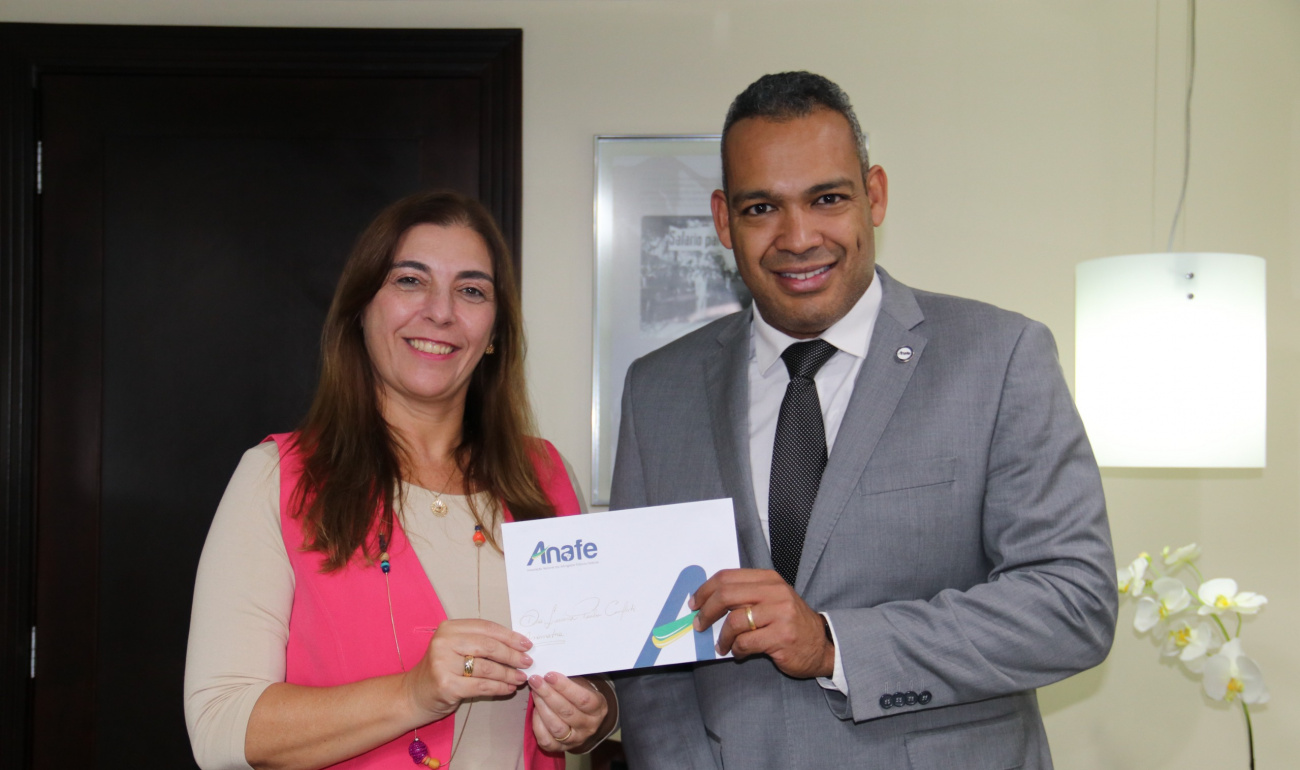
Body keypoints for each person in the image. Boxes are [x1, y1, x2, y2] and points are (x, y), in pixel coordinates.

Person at [610, 72, 1116, 769]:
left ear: (873, 196)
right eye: (762, 208)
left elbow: (1072, 605)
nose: (797, 237)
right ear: (724, 220)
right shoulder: (656, 389)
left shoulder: (999, 356)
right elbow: (651, 662)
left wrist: (833, 643)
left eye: (827, 199)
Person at [185, 191, 616, 770]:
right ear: (361, 310)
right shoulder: (276, 477)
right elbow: (219, 729)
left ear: (495, 331)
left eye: (471, 290)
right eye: (410, 281)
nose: (440, 312)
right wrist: (414, 694)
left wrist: (591, 716)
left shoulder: (545, 476)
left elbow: (593, 677)